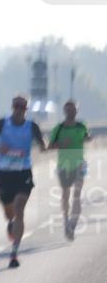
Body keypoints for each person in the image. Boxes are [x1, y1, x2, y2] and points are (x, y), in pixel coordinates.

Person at [0, 95, 47, 268]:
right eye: (16, 106)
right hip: (4, 172)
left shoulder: (32, 126)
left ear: (26, 109)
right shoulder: (2, 124)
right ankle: (11, 223)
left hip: (23, 171)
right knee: (9, 211)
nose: (18, 109)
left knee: (19, 209)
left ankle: (14, 253)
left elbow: (42, 144)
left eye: (22, 106)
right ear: (12, 107)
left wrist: (44, 145)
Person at [47, 100, 93, 241]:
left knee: (77, 195)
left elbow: (86, 137)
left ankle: (72, 224)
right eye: (68, 110)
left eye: (72, 110)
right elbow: (49, 146)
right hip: (63, 166)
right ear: (64, 111)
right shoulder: (59, 128)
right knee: (65, 195)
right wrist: (61, 144)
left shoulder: (81, 126)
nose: (70, 112)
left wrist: (89, 138)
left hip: (79, 164)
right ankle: (66, 220)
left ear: (77, 111)